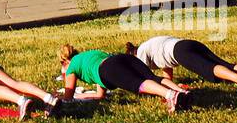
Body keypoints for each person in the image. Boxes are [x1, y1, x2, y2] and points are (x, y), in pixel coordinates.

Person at [127, 36, 237, 98]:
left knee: (210, 69)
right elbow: (167, 73)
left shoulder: (140, 53)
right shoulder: (152, 44)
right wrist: (173, 85)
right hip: (188, 43)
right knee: (226, 64)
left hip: (180, 51)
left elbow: (147, 79)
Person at [57, 44, 190, 113]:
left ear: (64, 62)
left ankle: (170, 95)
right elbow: (100, 95)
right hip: (120, 58)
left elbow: (68, 99)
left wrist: (60, 97)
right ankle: (181, 92)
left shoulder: (71, 67)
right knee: (152, 77)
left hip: (108, 68)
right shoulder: (88, 55)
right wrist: (82, 96)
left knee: (138, 84)